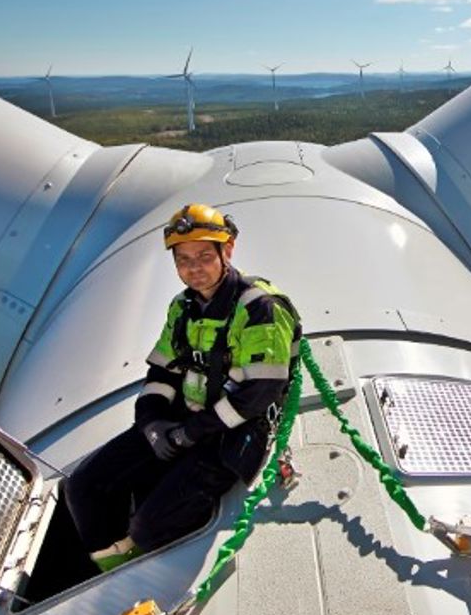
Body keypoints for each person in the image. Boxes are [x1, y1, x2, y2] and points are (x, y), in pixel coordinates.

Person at [64, 202, 300, 572]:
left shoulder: (258, 307)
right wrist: (152, 424)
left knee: (150, 526)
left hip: (234, 431)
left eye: (205, 256)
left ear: (228, 251)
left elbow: (259, 394)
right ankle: (107, 562)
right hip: (186, 420)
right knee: (83, 485)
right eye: (184, 260)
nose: (194, 269)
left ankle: (134, 555)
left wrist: (189, 434)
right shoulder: (183, 308)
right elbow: (163, 372)